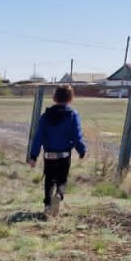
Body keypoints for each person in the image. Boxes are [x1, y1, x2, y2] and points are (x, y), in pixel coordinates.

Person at [28, 85, 86, 217]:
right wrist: (81, 150)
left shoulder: (45, 116)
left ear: (54, 98)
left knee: (49, 179)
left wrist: (33, 155)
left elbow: (38, 137)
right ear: (70, 98)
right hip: (64, 154)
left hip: (49, 154)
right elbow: (76, 135)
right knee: (62, 179)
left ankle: (47, 206)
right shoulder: (72, 115)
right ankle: (59, 195)